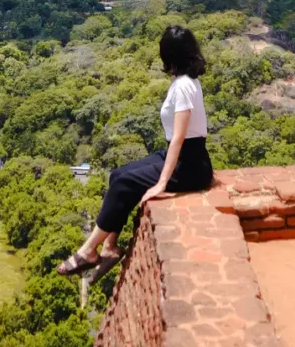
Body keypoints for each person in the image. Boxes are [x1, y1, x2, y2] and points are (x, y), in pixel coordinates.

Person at [57, 24, 213, 282]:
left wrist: (162, 183)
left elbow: (179, 139)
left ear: (169, 56)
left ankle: (88, 250)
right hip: (185, 157)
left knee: (124, 184)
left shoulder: (184, 86)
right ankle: (109, 247)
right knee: (118, 175)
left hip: (191, 166)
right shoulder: (184, 82)